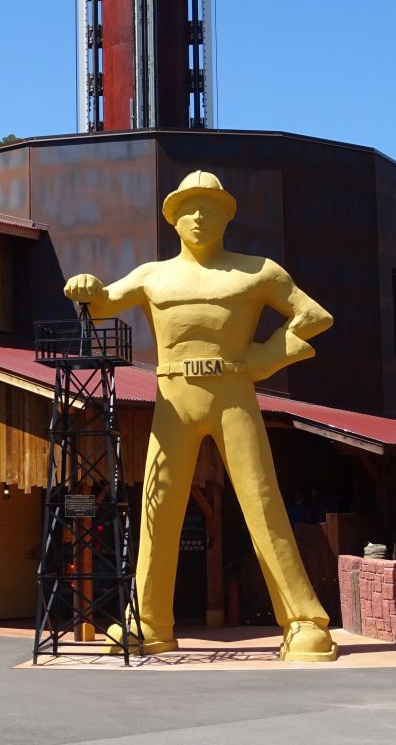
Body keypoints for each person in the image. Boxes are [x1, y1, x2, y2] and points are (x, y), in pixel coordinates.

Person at [64, 170, 338, 662]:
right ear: (172, 219)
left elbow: (313, 316)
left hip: (233, 393)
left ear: (226, 216)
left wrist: (264, 357)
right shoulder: (152, 276)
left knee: (263, 504)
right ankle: (147, 621)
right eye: (188, 209)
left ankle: (303, 620)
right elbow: (102, 302)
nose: (198, 217)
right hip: (172, 398)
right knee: (157, 509)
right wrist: (86, 286)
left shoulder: (258, 271)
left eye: (209, 208)